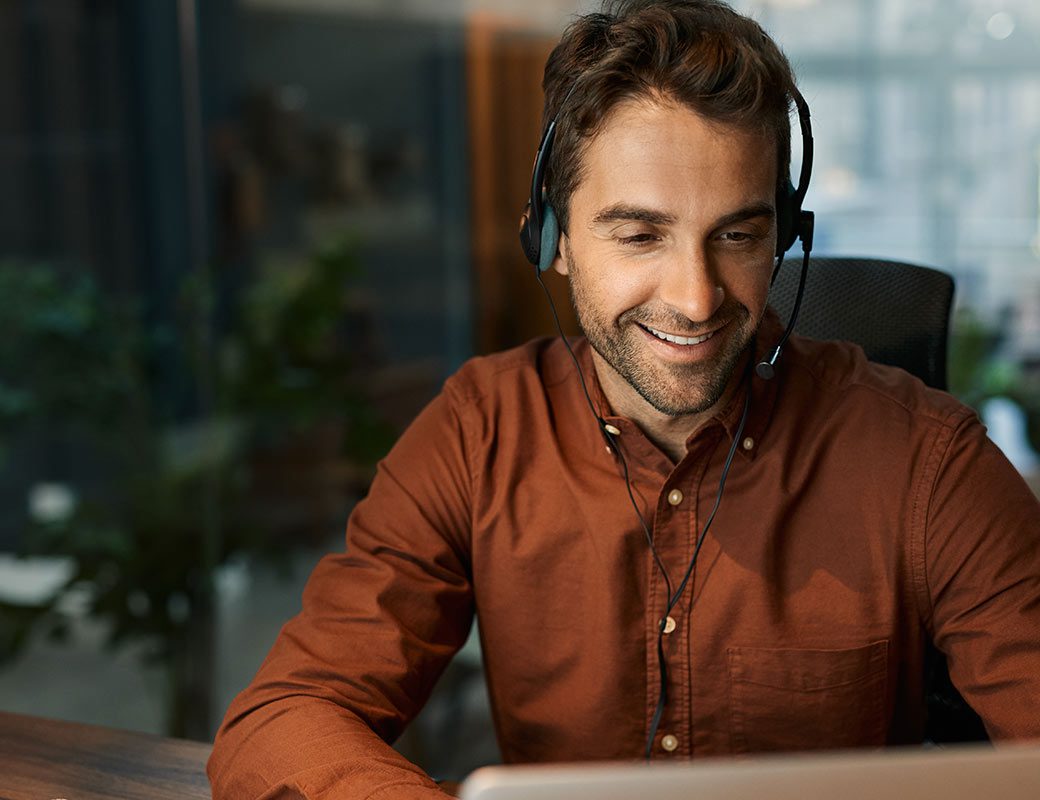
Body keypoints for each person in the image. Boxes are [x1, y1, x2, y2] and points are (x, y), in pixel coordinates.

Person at [208, 1, 1040, 797]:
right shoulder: (478, 433)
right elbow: (282, 719)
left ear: (784, 236)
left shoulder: (925, 458)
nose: (697, 298)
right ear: (555, 239)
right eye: (640, 235)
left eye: (738, 235)